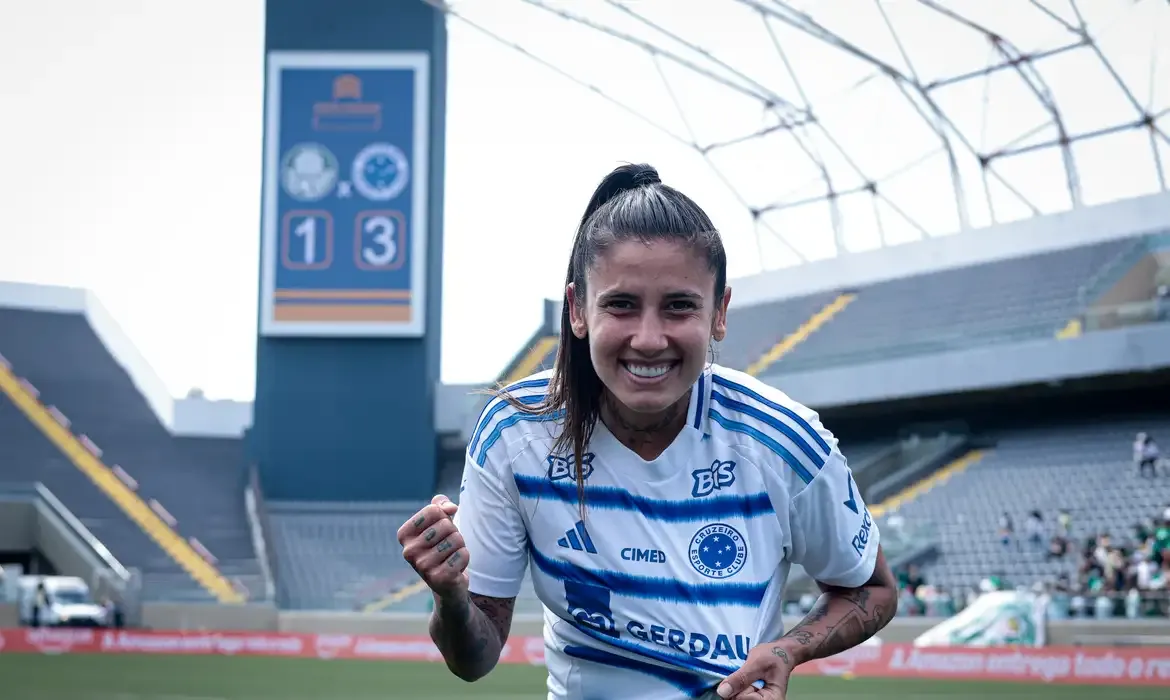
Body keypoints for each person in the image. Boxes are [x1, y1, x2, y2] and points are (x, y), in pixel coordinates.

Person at [397, 163, 896, 699]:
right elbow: (473, 659)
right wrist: (450, 596)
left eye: (679, 306)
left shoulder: (782, 439)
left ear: (719, 312)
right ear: (578, 309)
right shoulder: (516, 433)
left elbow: (871, 587)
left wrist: (786, 650)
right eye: (622, 305)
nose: (650, 339)